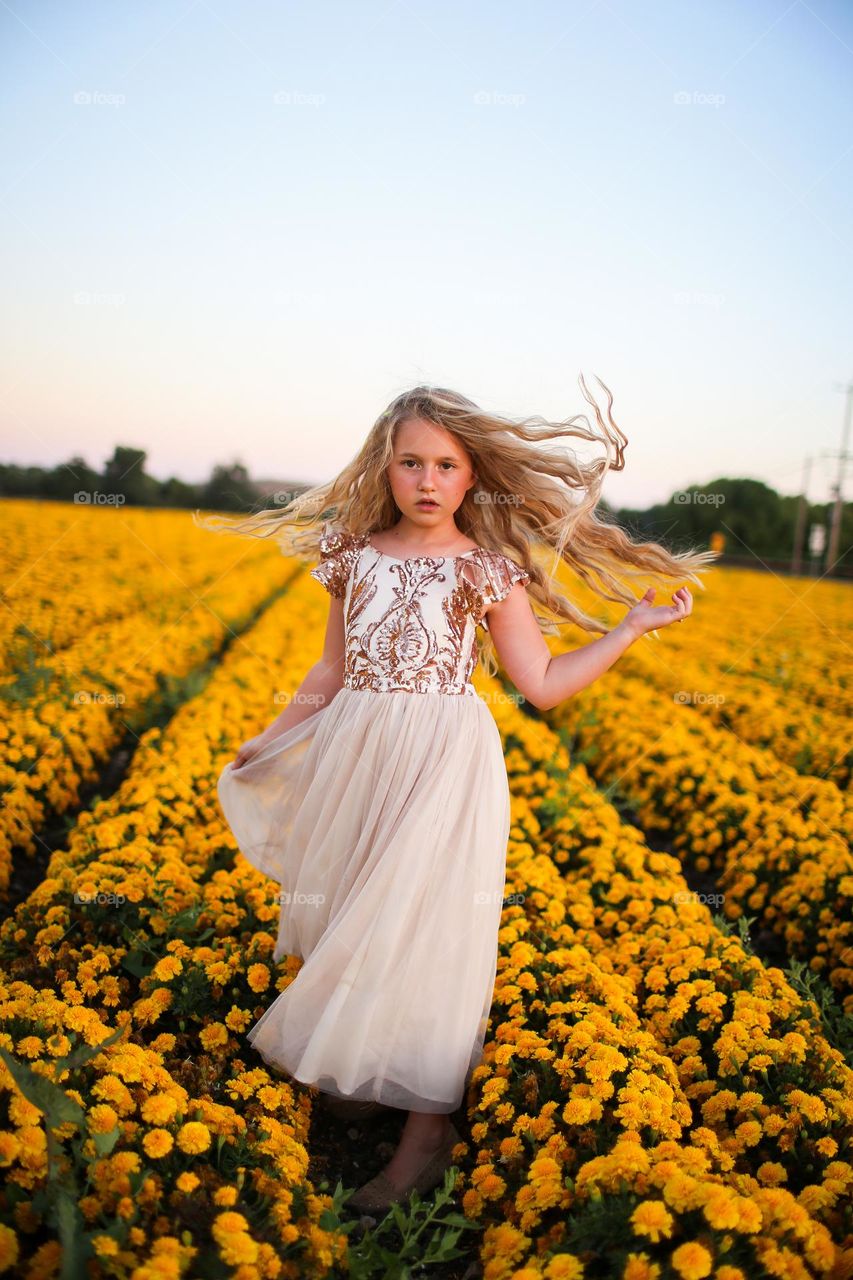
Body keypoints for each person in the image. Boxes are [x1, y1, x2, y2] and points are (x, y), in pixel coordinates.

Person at [197, 377, 717, 1214]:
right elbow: (331, 668)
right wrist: (272, 731)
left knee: (426, 934)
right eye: (411, 462)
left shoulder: (484, 569)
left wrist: (622, 631)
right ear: (386, 465)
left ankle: (424, 1137)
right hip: (356, 751)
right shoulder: (353, 554)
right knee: (353, 913)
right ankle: (367, 1074)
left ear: (472, 477)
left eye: (445, 464)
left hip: (444, 760)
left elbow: (540, 684)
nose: (427, 481)